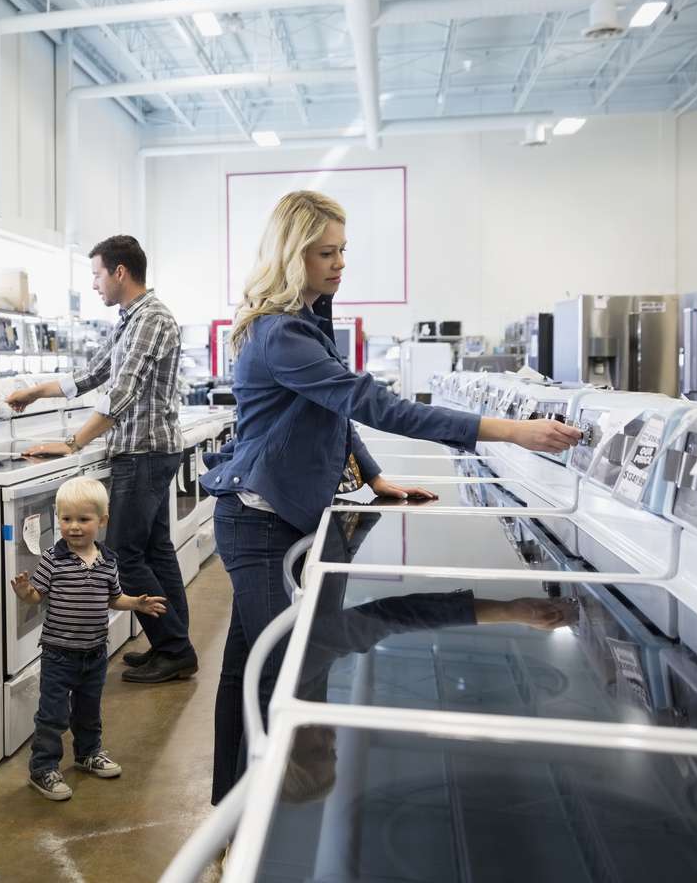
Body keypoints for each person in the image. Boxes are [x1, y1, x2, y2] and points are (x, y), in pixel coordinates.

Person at [201, 190, 582, 804]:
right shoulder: (281, 334)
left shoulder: (309, 322)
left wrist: (374, 476)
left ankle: (232, 802)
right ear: (292, 255)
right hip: (258, 520)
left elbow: (334, 414)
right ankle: (257, 811)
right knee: (288, 669)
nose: (339, 263)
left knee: (254, 668)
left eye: (342, 250)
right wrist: (512, 431)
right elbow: (376, 405)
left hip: (284, 514)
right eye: (325, 252)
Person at [6, 235, 198, 684]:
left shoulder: (150, 318)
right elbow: (92, 375)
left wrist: (73, 443)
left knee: (125, 556)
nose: (93, 284)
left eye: (96, 274)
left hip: (145, 451)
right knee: (155, 552)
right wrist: (34, 393)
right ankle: (171, 645)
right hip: (144, 449)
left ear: (119, 272)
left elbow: (122, 392)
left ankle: (176, 649)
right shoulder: (129, 320)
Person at [9, 476, 170, 801]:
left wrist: (135, 603)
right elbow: (37, 596)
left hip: (95, 652)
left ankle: (87, 754)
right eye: (66, 519)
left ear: (102, 521)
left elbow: (113, 598)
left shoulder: (108, 560)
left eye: (83, 519)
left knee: (89, 710)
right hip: (58, 653)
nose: (74, 527)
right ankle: (43, 769)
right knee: (52, 714)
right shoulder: (53, 560)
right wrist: (25, 592)